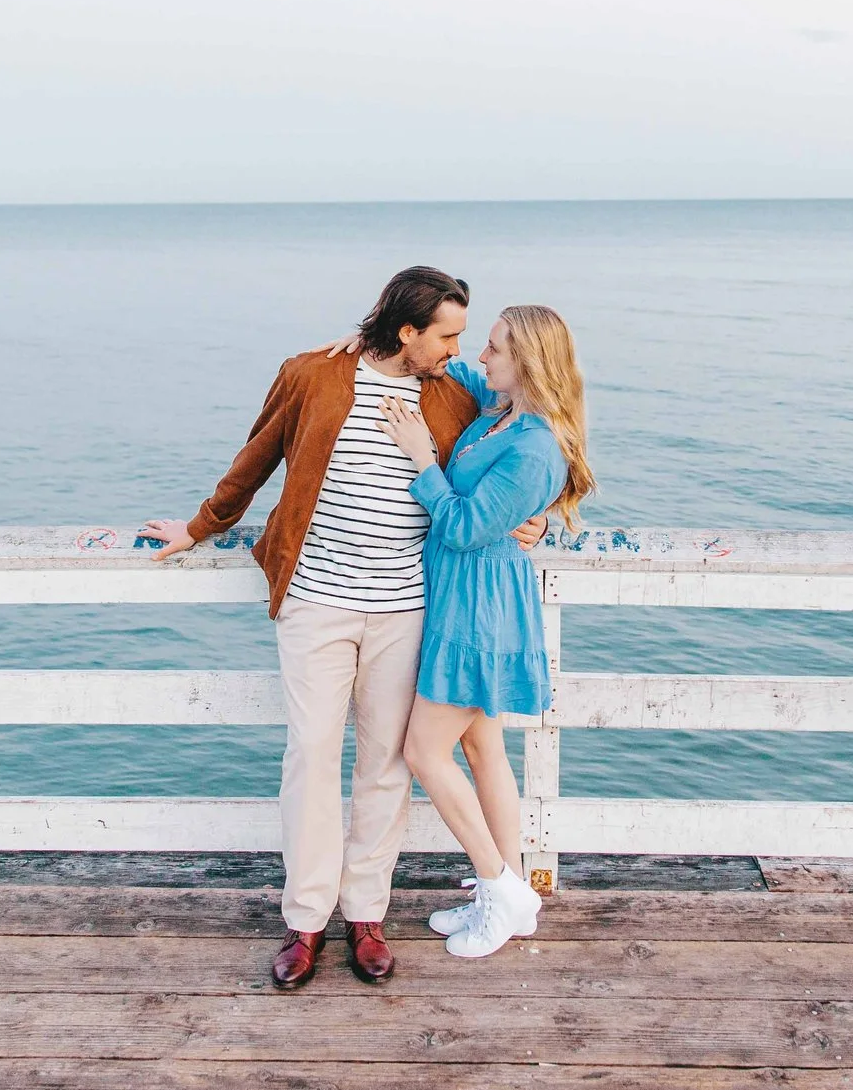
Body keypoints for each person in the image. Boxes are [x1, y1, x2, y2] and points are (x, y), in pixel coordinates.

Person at [140, 267, 543, 991]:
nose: (458, 350)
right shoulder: (311, 375)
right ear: (407, 330)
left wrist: (542, 516)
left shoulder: (454, 393)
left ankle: (365, 916)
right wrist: (200, 525)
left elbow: (529, 439)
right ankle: (304, 921)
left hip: (407, 606)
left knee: (386, 765)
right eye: (447, 335)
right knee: (311, 756)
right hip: (315, 601)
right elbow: (256, 458)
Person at [378, 304, 593, 959]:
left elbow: (466, 527)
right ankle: (511, 890)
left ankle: (501, 891)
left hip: (481, 610)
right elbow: (445, 365)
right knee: (483, 749)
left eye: (494, 347)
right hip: (463, 599)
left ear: (525, 361)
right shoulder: (502, 411)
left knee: (423, 752)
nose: (479, 356)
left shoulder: (534, 445)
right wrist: (369, 340)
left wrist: (423, 461)